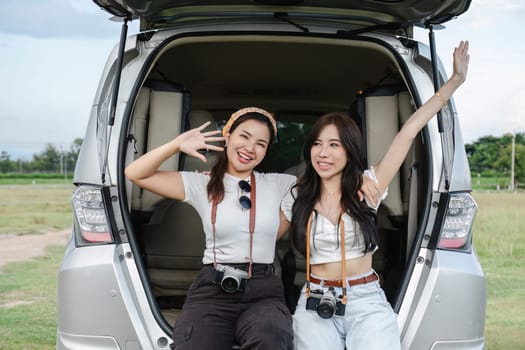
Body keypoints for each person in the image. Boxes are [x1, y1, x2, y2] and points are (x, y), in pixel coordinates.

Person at [287, 41, 470, 350]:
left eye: (334, 144)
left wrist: (453, 82)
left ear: (350, 150)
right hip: (315, 299)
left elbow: (409, 131)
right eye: (318, 144)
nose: (324, 152)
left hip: (365, 299)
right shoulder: (295, 193)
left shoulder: (367, 185)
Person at [125, 107, 296, 349]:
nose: (250, 148)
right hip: (213, 287)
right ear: (228, 136)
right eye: (244, 136)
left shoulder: (279, 183)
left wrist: (367, 183)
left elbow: (329, 178)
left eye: (261, 143)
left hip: (263, 290)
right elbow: (135, 173)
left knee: (271, 337)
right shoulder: (201, 183)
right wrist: (176, 144)